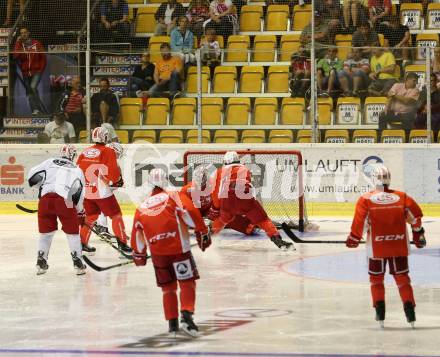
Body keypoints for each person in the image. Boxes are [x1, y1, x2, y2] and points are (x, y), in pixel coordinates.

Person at [131, 168, 210, 337]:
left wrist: (139, 255)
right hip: (178, 250)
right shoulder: (174, 196)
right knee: (187, 282)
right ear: (165, 181)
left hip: (159, 255)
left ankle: (172, 324)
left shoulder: (141, 207)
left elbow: (137, 235)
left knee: (168, 288)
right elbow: (190, 213)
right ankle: (187, 317)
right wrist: (202, 231)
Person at [346, 164, 426, 328]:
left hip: (376, 248)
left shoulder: (365, 199)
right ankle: (410, 314)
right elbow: (416, 218)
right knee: (403, 280)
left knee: (376, 280)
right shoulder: (403, 196)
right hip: (399, 246)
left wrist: (353, 239)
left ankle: (380, 313)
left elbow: (359, 224)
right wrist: (418, 234)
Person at [209, 151, 294, 250]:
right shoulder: (245, 169)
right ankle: (277, 239)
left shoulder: (218, 172)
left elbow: (215, 192)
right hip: (245, 200)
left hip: (227, 201)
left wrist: (216, 208)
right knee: (263, 220)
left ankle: (208, 236)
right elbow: (249, 187)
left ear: (225, 161)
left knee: (223, 219)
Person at [27, 144, 87, 276]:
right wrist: (80, 211)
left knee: (46, 233)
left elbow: (31, 177)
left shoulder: (49, 162)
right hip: (65, 201)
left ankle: (41, 261)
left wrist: (43, 188)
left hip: (45, 201)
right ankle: (78, 262)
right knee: (72, 233)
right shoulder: (77, 169)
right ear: (72, 155)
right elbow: (78, 193)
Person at [77, 126, 131, 253]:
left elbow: (77, 170)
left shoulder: (85, 151)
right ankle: (122, 244)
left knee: (91, 216)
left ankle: (82, 243)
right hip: (102, 193)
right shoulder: (108, 151)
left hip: (87, 192)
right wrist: (116, 180)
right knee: (116, 215)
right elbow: (113, 174)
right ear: (105, 137)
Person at [181, 164, 257, 235]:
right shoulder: (186, 190)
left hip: (210, 212)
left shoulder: (214, 186)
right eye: (198, 185)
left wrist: (213, 214)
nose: (200, 188)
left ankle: (249, 225)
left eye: (203, 185)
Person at [13, 27, 47, 115]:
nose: (23, 34)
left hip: (36, 71)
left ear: (28, 33)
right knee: (29, 93)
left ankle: (39, 108)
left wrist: (41, 69)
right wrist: (17, 42)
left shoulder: (36, 43)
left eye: (25, 32)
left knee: (32, 88)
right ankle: (35, 110)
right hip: (25, 73)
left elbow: (43, 57)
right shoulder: (20, 45)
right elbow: (15, 56)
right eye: (21, 33)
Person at [94, 141, 124, 236]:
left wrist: (117, 182)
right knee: (104, 203)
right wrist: (112, 183)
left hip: (96, 187)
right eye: (117, 154)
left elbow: (117, 182)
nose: (118, 156)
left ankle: (99, 223)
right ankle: (102, 226)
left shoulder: (112, 162)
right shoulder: (104, 160)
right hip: (94, 187)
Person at [378, 72, 419, 136]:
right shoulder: (397, 85)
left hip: (407, 113)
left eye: (416, 81)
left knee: (408, 119)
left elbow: (406, 101)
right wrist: (386, 108)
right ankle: (381, 137)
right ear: (407, 80)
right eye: (414, 81)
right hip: (394, 112)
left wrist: (394, 95)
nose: (416, 83)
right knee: (382, 116)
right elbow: (389, 97)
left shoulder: (416, 90)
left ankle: (406, 140)